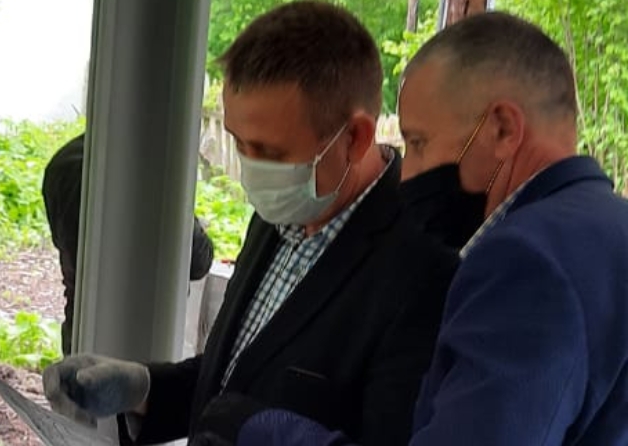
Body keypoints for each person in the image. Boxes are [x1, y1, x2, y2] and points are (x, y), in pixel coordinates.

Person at [189, 11, 628, 446]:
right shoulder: (608, 229)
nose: (410, 171)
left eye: (418, 142)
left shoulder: (525, 262)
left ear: (502, 129)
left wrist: (266, 429)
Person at [41, 2, 460, 445]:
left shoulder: (424, 271)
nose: (251, 170)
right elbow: (235, 376)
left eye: (270, 152)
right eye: (239, 143)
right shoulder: (282, 212)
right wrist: (145, 389)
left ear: (355, 137)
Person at [42, 132, 215, 355]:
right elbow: (199, 261)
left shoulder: (63, 163)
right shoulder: (151, 174)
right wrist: (192, 220)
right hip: (144, 342)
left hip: (80, 333)